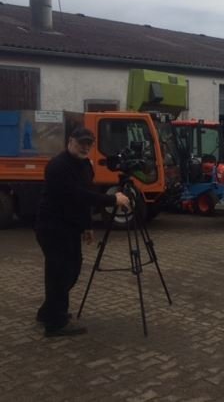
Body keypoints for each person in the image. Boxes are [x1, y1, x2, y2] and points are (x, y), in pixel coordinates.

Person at [35, 126, 130, 337]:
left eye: (89, 144)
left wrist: (87, 226)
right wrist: (113, 199)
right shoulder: (58, 166)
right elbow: (76, 195)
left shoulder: (86, 165)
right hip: (52, 227)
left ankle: (49, 311)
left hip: (69, 227)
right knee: (59, 273)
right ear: (70, 141)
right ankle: (56, 323)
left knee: (72, 270)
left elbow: (86, 196)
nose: (85, 147)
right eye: (81, 143)